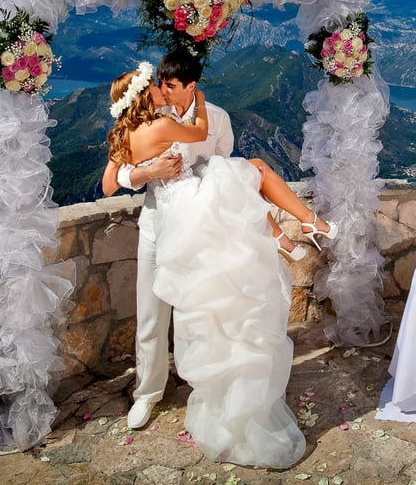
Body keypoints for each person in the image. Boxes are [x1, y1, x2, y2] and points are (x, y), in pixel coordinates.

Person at [105, 59, 337, 468]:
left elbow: (225, 175)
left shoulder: (216, 118)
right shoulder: (146, 120)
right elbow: (110, 182)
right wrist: (145, 171)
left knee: (206, 310)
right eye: (160, 83)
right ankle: (147, 393)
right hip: (158, 227)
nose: (164, 88)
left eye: (170, 84)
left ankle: (209, 382)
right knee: (150, 317)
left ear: (189, 85)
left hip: (199, 227)